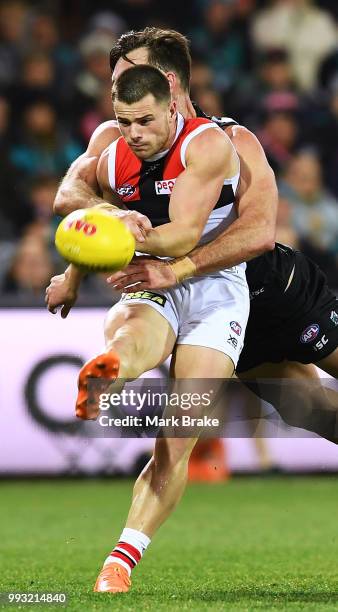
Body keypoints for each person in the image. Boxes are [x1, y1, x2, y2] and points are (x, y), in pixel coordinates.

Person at [48, 28, 338, 433]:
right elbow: (69, 193)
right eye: (116, 83)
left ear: (166, 81)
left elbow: (258, 235)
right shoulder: (115, 136)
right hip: (211, 306)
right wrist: (112, 216)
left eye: (125, 78)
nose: (118, 90)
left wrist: (179, 268)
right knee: (312, 411)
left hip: (270, 289)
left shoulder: (230, 138)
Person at [48, 62, 251, 593]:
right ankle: (109, 373)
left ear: (170, 108)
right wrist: (74, 274)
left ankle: (121, 559)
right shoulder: (114, 155)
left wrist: (127, 226)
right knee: (130, 335)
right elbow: (77, 210)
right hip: (145, 274)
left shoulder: (207, 144)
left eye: (143, 121)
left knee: (178, 435)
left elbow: (183, 235)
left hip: (212, 282)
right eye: (123, 121)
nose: (134, 134)